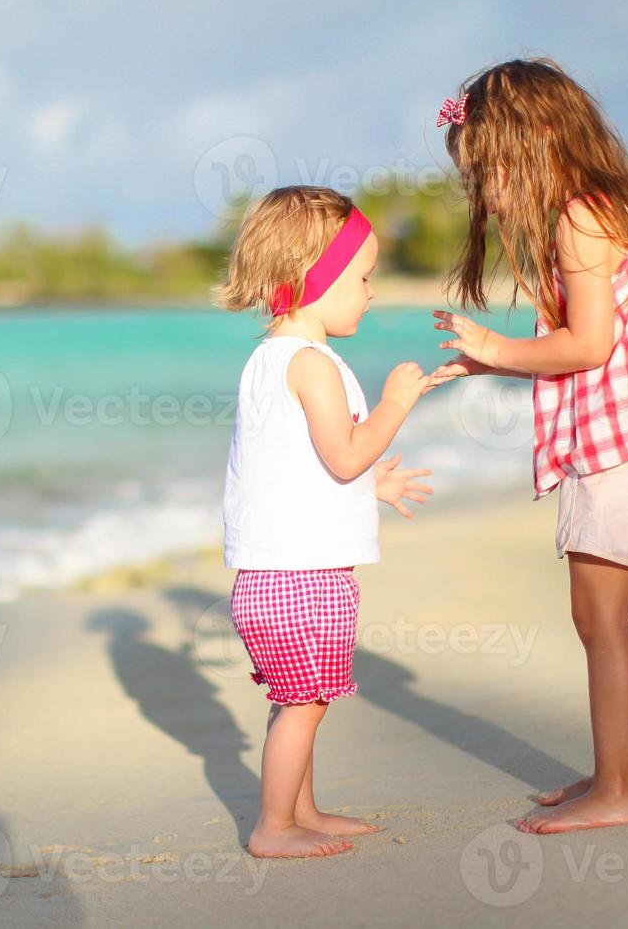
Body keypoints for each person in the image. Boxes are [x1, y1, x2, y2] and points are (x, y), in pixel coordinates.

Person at [428, 59, 628, 834]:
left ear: (538, 142)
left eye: (489, 172)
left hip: (623, 460)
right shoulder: (617, 208)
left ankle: (622, 790)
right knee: (607, 622)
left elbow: (586, 346)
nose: (486, 194)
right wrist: (489, 357)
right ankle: (616, 769)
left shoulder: (580, 220)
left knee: (602, 623)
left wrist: (493, 348)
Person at [218, 186, 435, 857]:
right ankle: (274, 827)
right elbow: (343, 457)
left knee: (298, 703)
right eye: (363, 276)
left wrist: (376, 483)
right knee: (306, 706)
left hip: (270, 577)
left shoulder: (268, 361)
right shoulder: (312, 366)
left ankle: (301, 811)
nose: (371, 292)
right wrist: (397, 404)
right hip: (302, 580)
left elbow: (299, 472)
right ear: (316, 278)